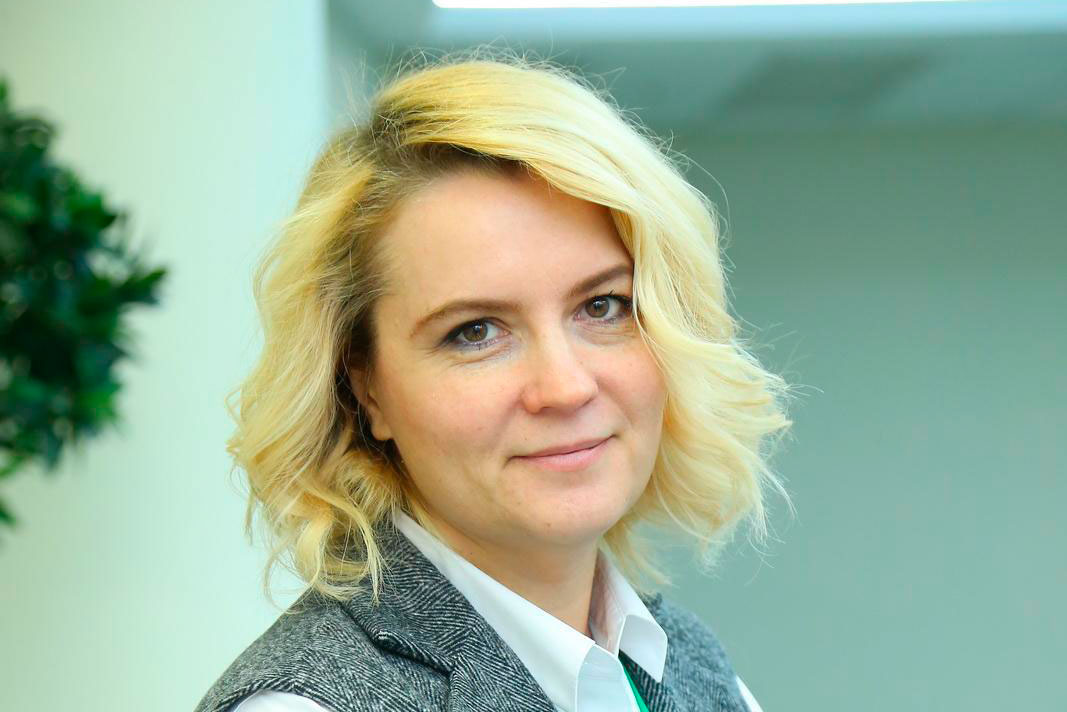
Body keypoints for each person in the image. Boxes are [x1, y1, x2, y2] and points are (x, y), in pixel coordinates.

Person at [194, 49, 794, 712]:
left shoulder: (698, 672)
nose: (565, 387)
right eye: (475, 332)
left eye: (602, 306)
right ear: (364, 390)